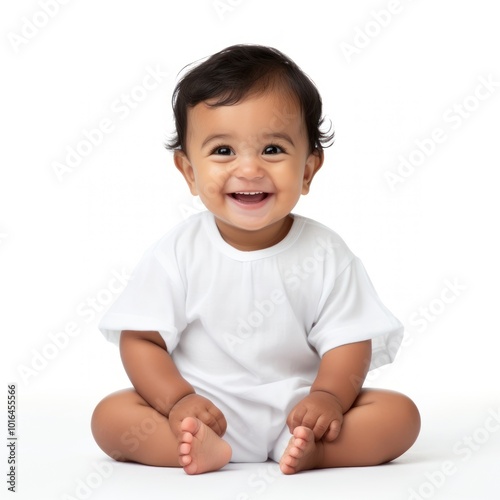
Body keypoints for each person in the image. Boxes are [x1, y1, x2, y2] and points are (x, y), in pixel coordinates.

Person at [91, 44, 421, 475]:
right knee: (110, 417)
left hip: (300, 413)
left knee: (400, 415)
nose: (248, 170)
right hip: (203, 411)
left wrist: (329, 398)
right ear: (189, 172)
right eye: (223, 151)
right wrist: (177, 401)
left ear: (307, 170)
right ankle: (203, 448)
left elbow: (349, 340)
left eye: (272, 150)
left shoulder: (326, 253)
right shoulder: (178, 252)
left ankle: (316, 452)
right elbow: (142, 339)